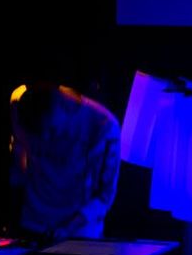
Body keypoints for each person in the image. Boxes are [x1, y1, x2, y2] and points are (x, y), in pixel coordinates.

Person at [9, 82, 121, 242]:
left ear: (67, 109)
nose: (46, 139)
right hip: (31, 226)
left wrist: (68, 228)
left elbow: (105, 195)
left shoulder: (103, 126)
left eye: (52, 131)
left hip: (79, 235)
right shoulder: (20, 110)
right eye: (38, 133)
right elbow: (19, 168)